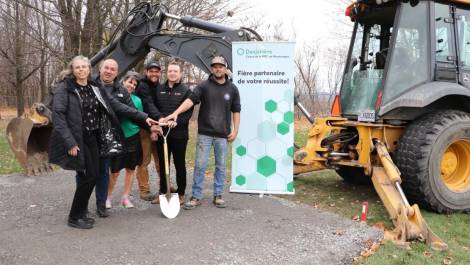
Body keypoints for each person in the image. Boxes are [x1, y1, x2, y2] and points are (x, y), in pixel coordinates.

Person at [48, 55, 157, 229]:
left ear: (89, 69)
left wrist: (145, 119)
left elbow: (117, 105)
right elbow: (58, 116)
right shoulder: (65, 88)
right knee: (87, 176)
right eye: (78, 67)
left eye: (84, 67)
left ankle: (81, 212)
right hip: (77, 138)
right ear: (73, 70)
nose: (82, 70)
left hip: (94, 138)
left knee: (93, 175)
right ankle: (74, 216)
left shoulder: (95, 87)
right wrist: (69, 142)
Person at [163, 56, 241, 209]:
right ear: (212, 69)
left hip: (223, 135)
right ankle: (196, 196)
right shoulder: (204, 86)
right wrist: (176, 113)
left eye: (220, 66)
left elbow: (236, 110)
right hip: (204, 133)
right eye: (215, 66)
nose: (217, 69)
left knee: (221, 165)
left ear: (225, 68)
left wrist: (236, 130)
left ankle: (218, 195)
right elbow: (190, 100)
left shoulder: (232, 89)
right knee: (200, 165)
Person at [107, 71, 150, 208]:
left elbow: (140, 118)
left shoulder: (137, 100)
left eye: (134, 84)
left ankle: (126, 197)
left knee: (131, 169)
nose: (131, 85)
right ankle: (107, 197)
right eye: (129, 82)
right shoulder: (114, 96)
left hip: (133, 136)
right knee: (115, 171)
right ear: (123, 82)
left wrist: (153, 128)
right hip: (118, 136)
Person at [152, 61, 193, 205]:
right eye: (170, 71)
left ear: (180, 73)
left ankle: (181, 193)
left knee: (179, 164)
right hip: (163, 134)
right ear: (166, 73)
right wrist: (159, 118)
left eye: (175, 71)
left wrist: (177, 121)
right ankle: (163, 192)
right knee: (163, 164)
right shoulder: (159, 89)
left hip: (180, 135)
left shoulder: (186, 90)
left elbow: (188, 111)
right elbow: (153, 106)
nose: (172, 73)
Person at [134, 62, 163, 201]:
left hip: (159, 127)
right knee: (144, 161)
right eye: (151, 71)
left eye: (156, 71)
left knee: (161, 160)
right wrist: (157, 122)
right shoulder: (142, 86)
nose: (154, 74)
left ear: (160, 73)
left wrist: (159, 125)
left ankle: (165, 186)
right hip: (145, 128)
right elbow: (148, 105)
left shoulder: (160, 87)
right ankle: (144, 190)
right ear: (146, 72)